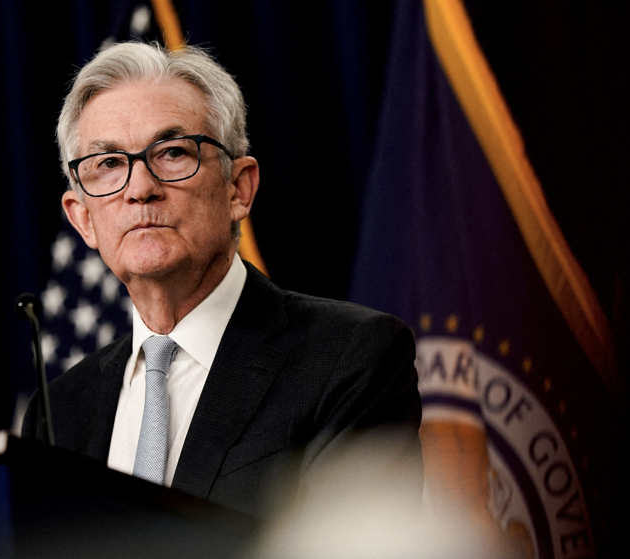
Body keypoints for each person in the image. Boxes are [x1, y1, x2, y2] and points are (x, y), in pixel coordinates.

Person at [21, 42, 422, 518]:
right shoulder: (58, 412)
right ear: (83, 218)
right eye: (108, 163)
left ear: (238, 189)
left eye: (172, 152)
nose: (140, 188)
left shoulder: (350, 358)